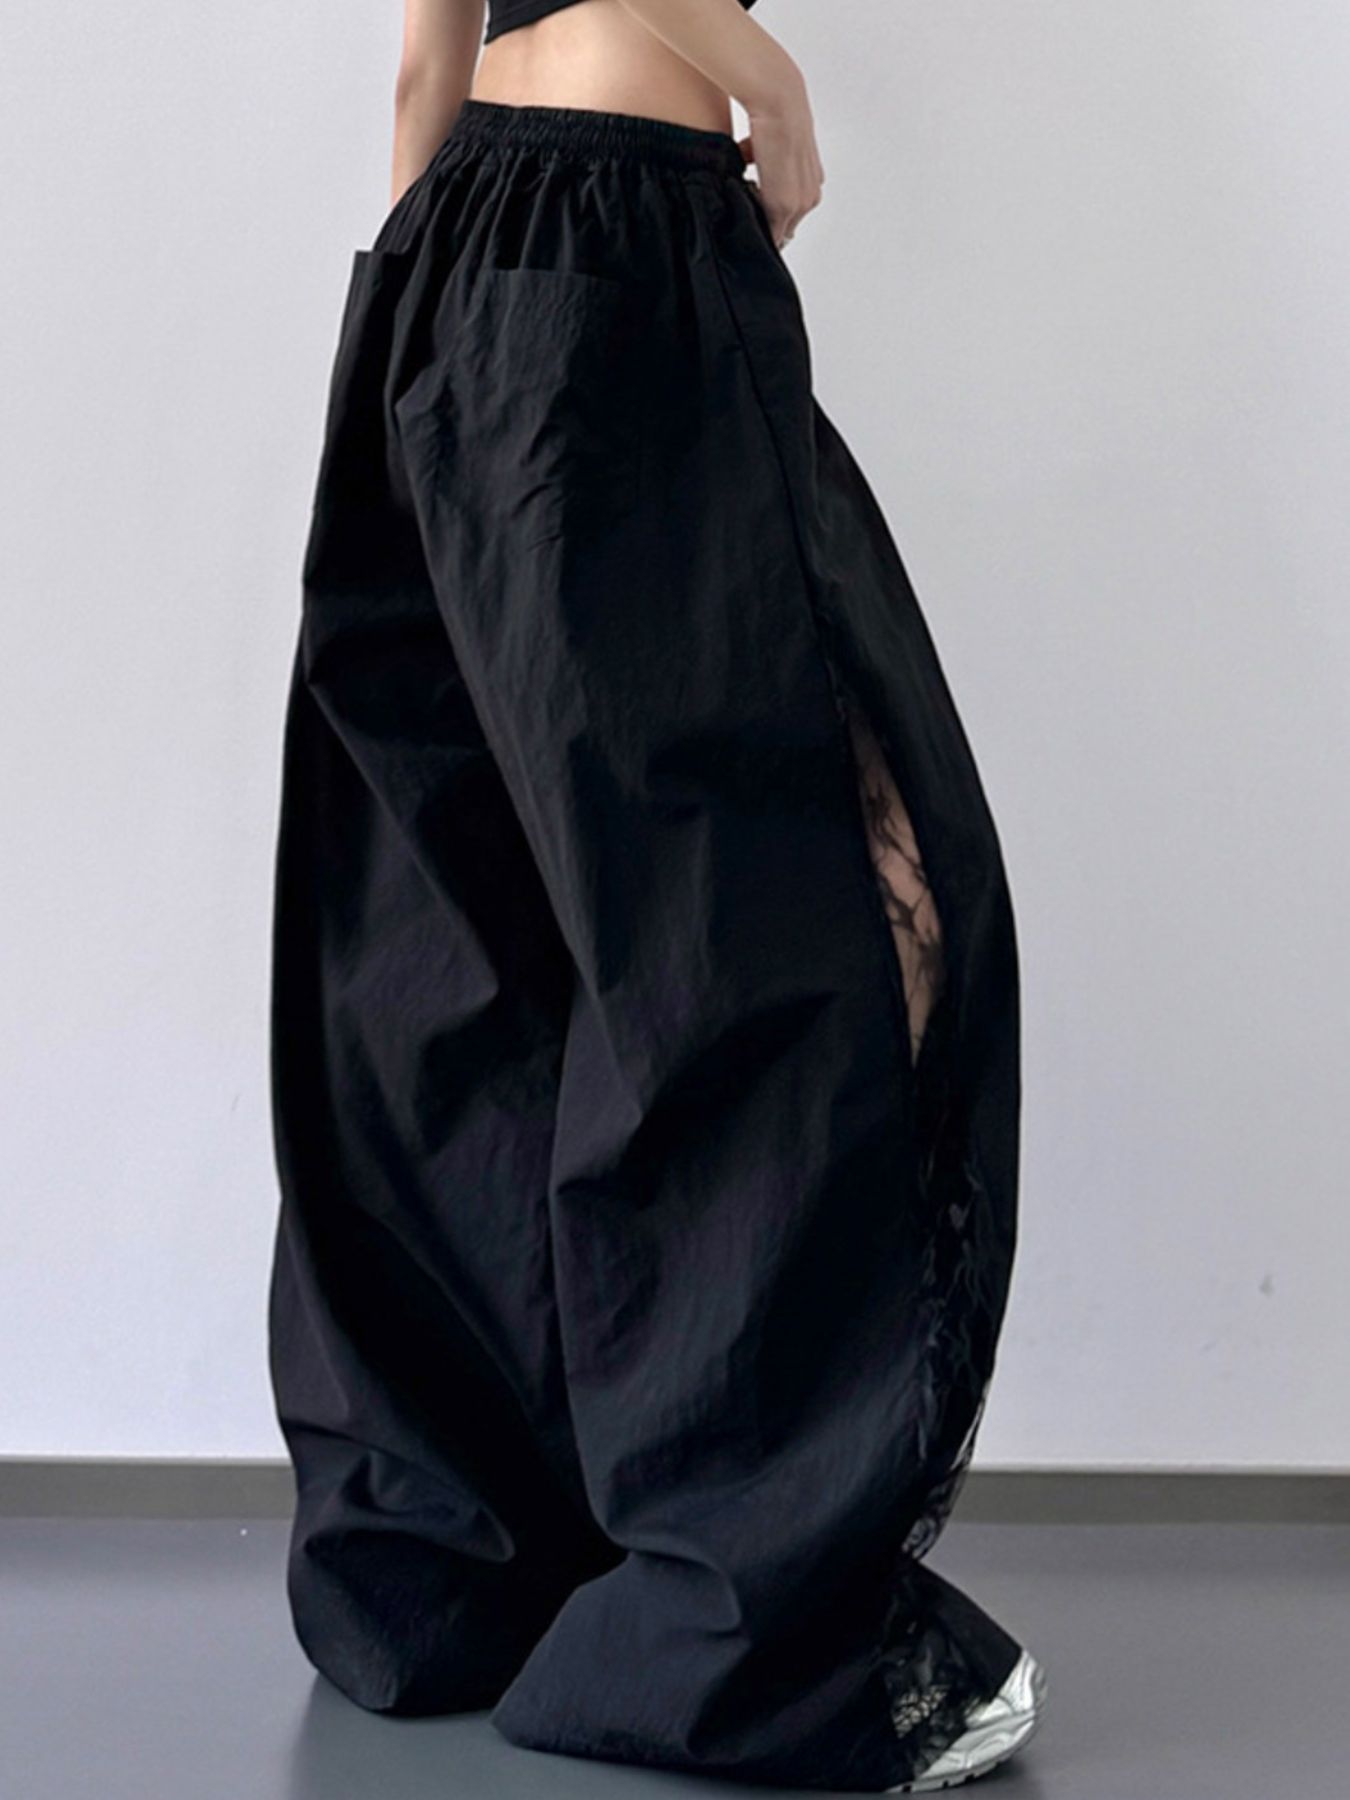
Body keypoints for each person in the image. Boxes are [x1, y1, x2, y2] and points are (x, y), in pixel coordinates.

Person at [266, 1, 1046, 1790]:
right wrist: (776, 91)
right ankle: (728, 1632)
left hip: (451, 255)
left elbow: (425, 58)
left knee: (473, 953)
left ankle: (464, 1575)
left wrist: (410, 341)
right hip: (625, 261)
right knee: (754, 948)